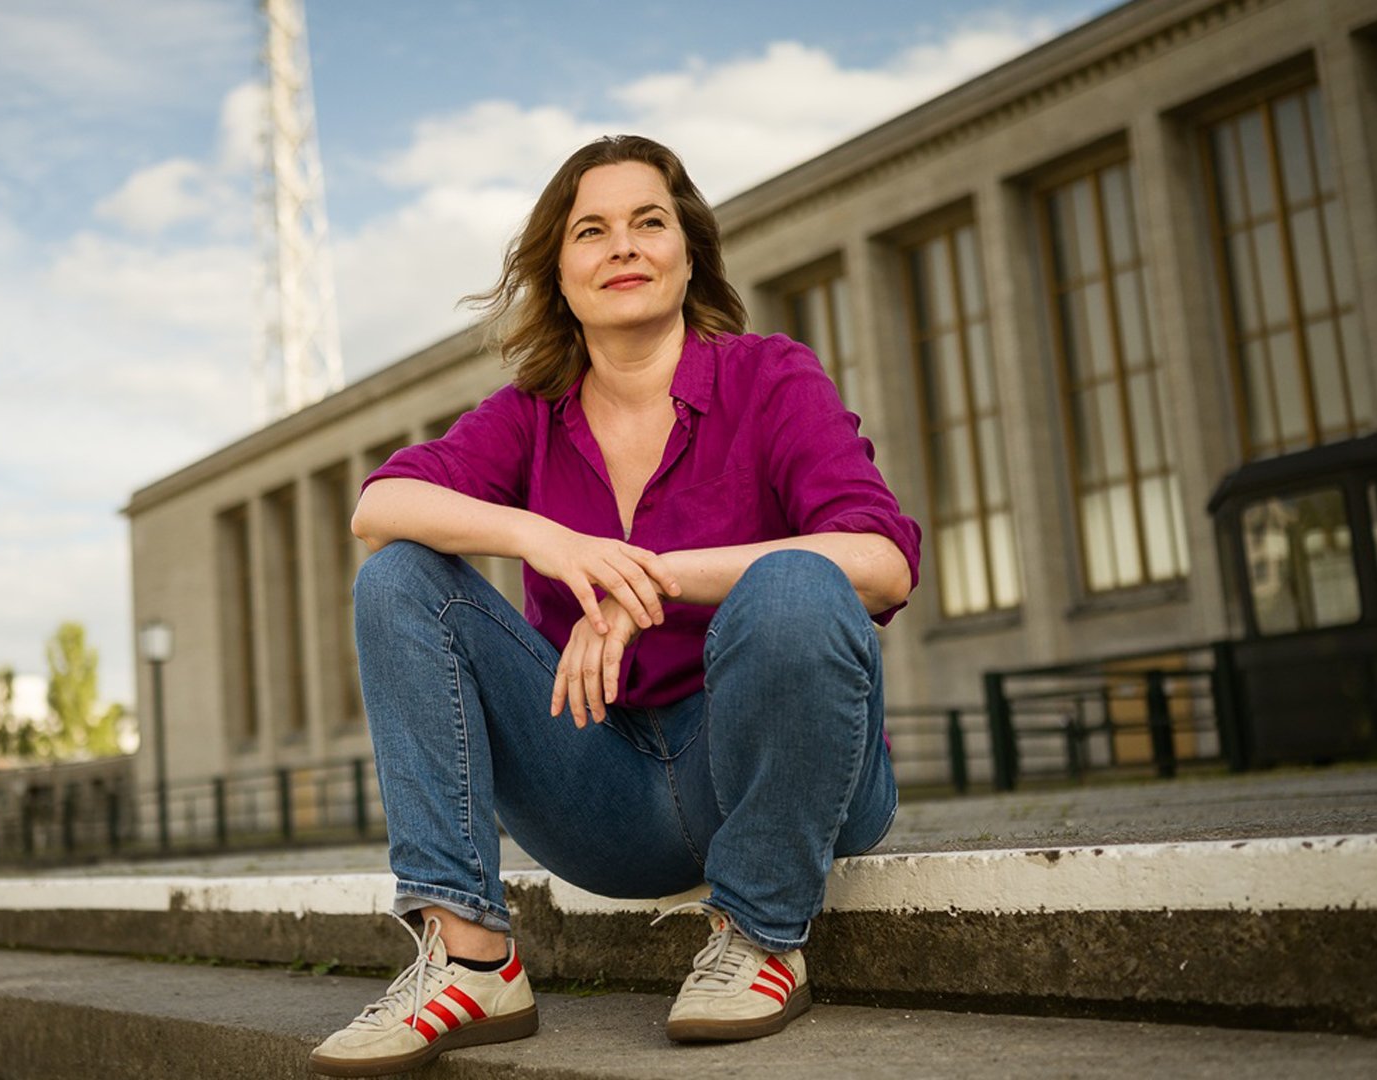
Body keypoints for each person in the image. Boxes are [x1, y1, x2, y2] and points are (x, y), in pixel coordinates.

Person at [308, 134, 920, 1077]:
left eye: (649, 222)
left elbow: (880, 562)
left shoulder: (770, 377)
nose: (623, 246)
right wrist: (548, 541)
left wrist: (653, 577)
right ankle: (471, 959)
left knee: (798, 581)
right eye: (592, 231)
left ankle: (761, 934)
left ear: (688, 250)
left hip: (780, 769)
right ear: (561, 273)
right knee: (398, 575)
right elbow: (374, 507)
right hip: (607, 789)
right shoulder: (531, 412)